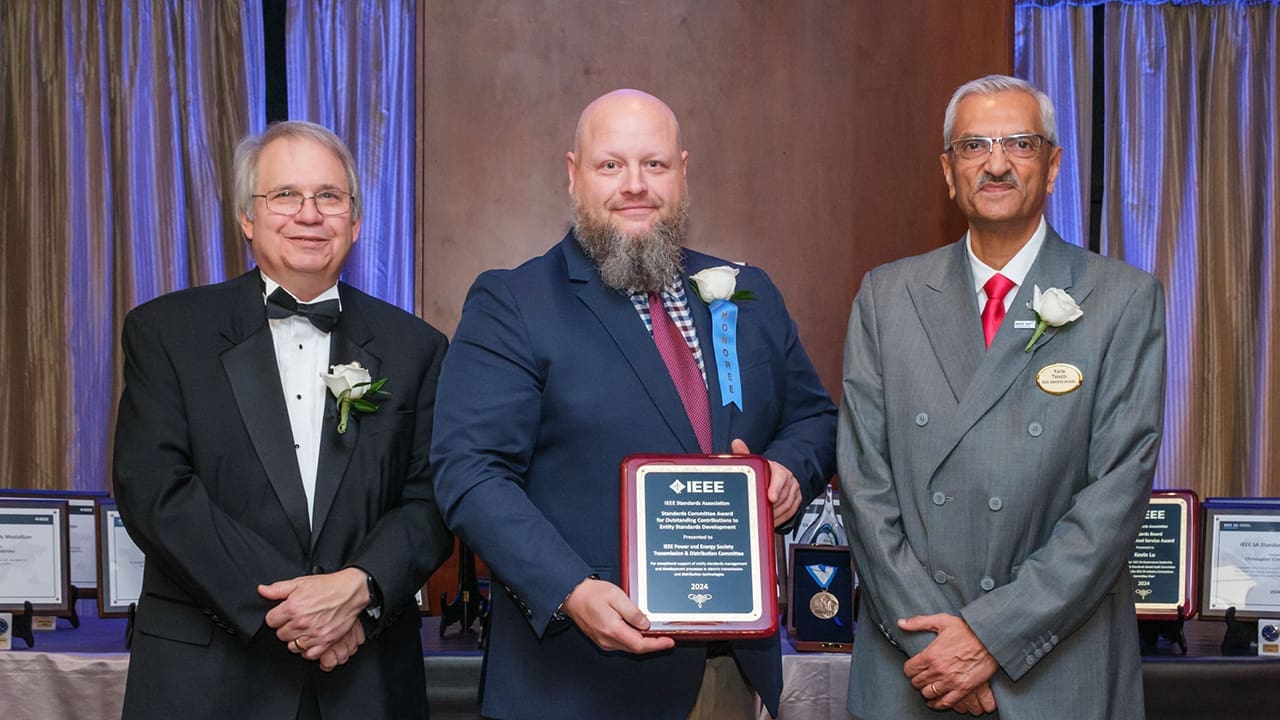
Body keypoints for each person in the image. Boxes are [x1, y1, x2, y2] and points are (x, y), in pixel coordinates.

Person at [431, 89, 837, 719]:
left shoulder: (745, 292)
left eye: (654, 164)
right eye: (610, 165)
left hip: (727, 677)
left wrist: (786, 469)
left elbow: (814, 418)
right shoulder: (515, 303)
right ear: (573, 174)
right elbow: (470, 472)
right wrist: (570, 591)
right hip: (574, 680)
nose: (635, 185)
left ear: (682, 171)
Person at [838, 74, 1166, 719]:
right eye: (972, 146)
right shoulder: (887, 297)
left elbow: (1113, 502)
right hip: (915, 664)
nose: (995, 164)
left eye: (1019, 143)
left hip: (1054, 668)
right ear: (947, 170)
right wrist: (940, 648)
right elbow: (863, 485)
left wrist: (991, 636)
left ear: (1052, 166)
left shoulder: (1123, 299)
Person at [113, 120, 452, 719]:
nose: (309, 214)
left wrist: (361, 587)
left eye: (329, 196)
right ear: (248, 218)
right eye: (285, 196)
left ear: (355, 219)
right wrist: (305, 609)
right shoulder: (165, 332)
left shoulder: (416, 348)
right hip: (208, 677)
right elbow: (156, 493)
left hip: (364, 680)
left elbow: (430, 500)